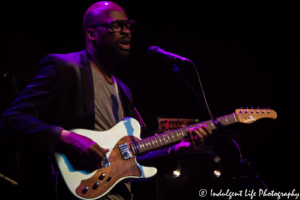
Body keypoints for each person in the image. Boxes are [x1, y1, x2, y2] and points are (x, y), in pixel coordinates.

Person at [0, 1, 212, 200]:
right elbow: (12, 119)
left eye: (128, 25)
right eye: (117, 25)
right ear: (92, 33)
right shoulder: (63, 68)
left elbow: (129, 159)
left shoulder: (124, 91)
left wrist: (176, 150)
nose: (126, 30)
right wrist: (68, 138)